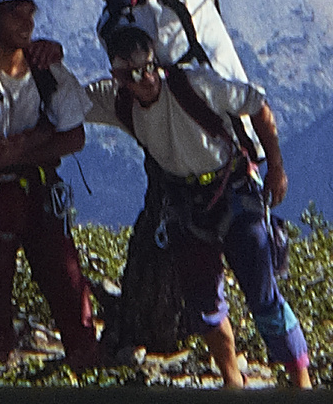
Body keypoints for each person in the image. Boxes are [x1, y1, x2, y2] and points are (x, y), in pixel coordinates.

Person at [84, 24, 311, 388]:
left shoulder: (197, 84)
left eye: (147, 68)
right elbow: (63, 103)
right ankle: (232, 381)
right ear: (117, 76)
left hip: (233, 189)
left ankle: (301, 380)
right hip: (184, 205)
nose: (142, 80)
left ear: (157, 62)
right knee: (204, 305)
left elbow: (258, 106)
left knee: (263, 295)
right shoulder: (116, 100)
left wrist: (277, 169)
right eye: (130, 74)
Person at [0, 0, 99, 369]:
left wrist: (14, 146)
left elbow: (75, 138)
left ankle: (85, 361)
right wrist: (40, 138)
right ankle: (3, 362)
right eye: (16, 14)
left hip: (39, 195)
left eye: (30, 13)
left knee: (68, 282)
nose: (28, 22)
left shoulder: (47, 69)